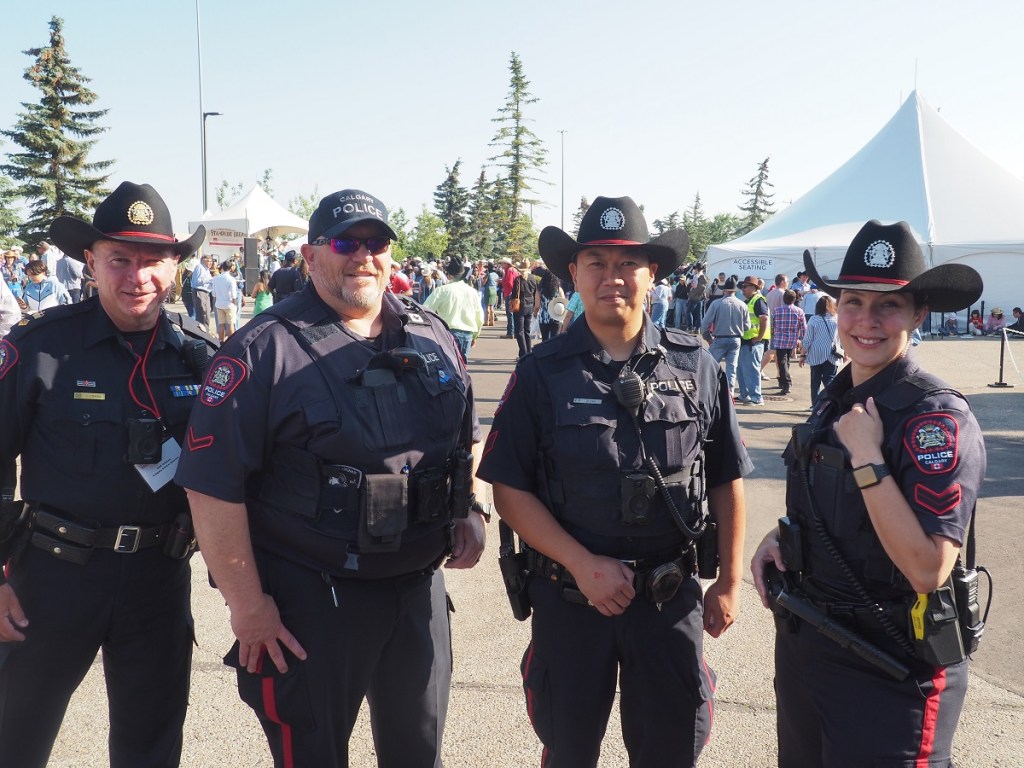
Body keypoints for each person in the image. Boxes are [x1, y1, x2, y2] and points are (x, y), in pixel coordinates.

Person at [174, 188, 487, 768]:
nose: (362, 256)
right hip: (311, 596)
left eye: (376, 243)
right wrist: (248, 607)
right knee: (311, 753)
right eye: (346, 243)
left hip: (417, 587)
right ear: (311, 256)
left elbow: (462, 433)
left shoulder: (431, 335)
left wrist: (468, 506)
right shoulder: (263, 350)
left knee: (419, 751)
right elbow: (210, 486)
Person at [479, 195, 751, 768]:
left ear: (652, 274)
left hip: (667, 600)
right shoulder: (541, 371)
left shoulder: (695, 364)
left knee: (670, 750)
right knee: (570, 750)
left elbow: (726, 475)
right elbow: (508, 489)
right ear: (573, 274)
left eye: (628, 263)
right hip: (573, 600)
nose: (612, 277)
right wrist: (582, 564)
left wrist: (728, 580)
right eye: (596, 263)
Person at [750, 220, 986, 767]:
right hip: (812, 641)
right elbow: (835, 506)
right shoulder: (837, 397)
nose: (867, 321)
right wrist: (781, 537)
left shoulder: (934, 418)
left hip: (891, 663)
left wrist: (869, 459)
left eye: (890, 306)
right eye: (853, 301)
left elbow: (928, 568)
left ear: (918, 314)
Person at [0, 181, 215, 767]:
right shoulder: (41, 349)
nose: (136, 276)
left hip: (158, 577)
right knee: (15, 738)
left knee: (150, 748)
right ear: (91, 262)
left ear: (175, 268)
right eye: (120, 259)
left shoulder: (201, 355)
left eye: (152, 261)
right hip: (50, 580)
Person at [423, 257, 485, 359]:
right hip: (467, 333)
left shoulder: (442, 291)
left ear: (449, 275)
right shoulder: (472, 292)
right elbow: (480, 317)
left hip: (448, 332)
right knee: (462, 367)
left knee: (448, 364)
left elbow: (425, 309)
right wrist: (475, 335)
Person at [699, 275, 750, 391]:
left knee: (708, 365)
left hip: (720, 338)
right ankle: (730, 393)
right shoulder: (743, 305)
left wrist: (707, 338)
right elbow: (747, 326)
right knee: (732, 368)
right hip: (736, 339)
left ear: (724, 290)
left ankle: (706, 390)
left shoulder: (717, 303)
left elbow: (705, 324)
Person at [800, 294, 844, 402]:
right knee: (829, 380)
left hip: (816, 354)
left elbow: (807, 340)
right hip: (833, 354)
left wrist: (802, 355)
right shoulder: (838, 319)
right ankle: (830, 402)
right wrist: (845, 353)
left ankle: (815, 404)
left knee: (815, 381)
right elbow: (843, 338)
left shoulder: (814, 320)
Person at [737, 275, 770, 405]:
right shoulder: (750, 301)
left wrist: (759, 337)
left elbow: (764, 319)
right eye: (742, 287)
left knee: (751, 369)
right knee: (742, 369)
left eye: (745, 287)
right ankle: (744, 394)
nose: (742, 290)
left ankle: (756, 397)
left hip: (754, 341)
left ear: (753, 287)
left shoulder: (758, 300)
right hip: (747, 340)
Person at [770, 290, 806, 396]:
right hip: (792, 340)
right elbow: (803, 327)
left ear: (783, 299)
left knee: (782, 361)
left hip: (780, 340)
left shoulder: (776, 311)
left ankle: (786, 383)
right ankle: (783, 381)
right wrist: (802, 340)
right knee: (786, 361)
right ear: (794, 299)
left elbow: (772, 326)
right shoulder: (799, 311)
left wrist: (773, 335)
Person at [511, 262, 540, 359]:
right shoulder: (532, 278)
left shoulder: (518, 280)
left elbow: (514, 294)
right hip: (530, 305)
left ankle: (523, 353)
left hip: (520, 306)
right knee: (527, 330)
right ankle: (528, 352)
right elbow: (535, 292)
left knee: (519, 331)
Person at [212, 259, 240, 342]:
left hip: (219, 304)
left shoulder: (216, 278)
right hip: (229, 304)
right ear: (230, 268)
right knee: (231, 324)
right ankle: (231, 342)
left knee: (221, 324)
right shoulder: (231, 279)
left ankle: (221, 341)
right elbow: (233, 294)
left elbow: (214, 293)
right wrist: (234, 303)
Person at [190, 253, 214, 329]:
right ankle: (200, 333)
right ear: (203, 261)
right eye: (209, 261)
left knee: (207, 314)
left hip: (206, 293)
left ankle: (206, 332)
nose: (211, 263)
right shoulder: (200, 267)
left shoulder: (206, 270)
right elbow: (198, 281)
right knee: (201, 315)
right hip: (200, 291)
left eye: (211, 261)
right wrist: (211, 279)